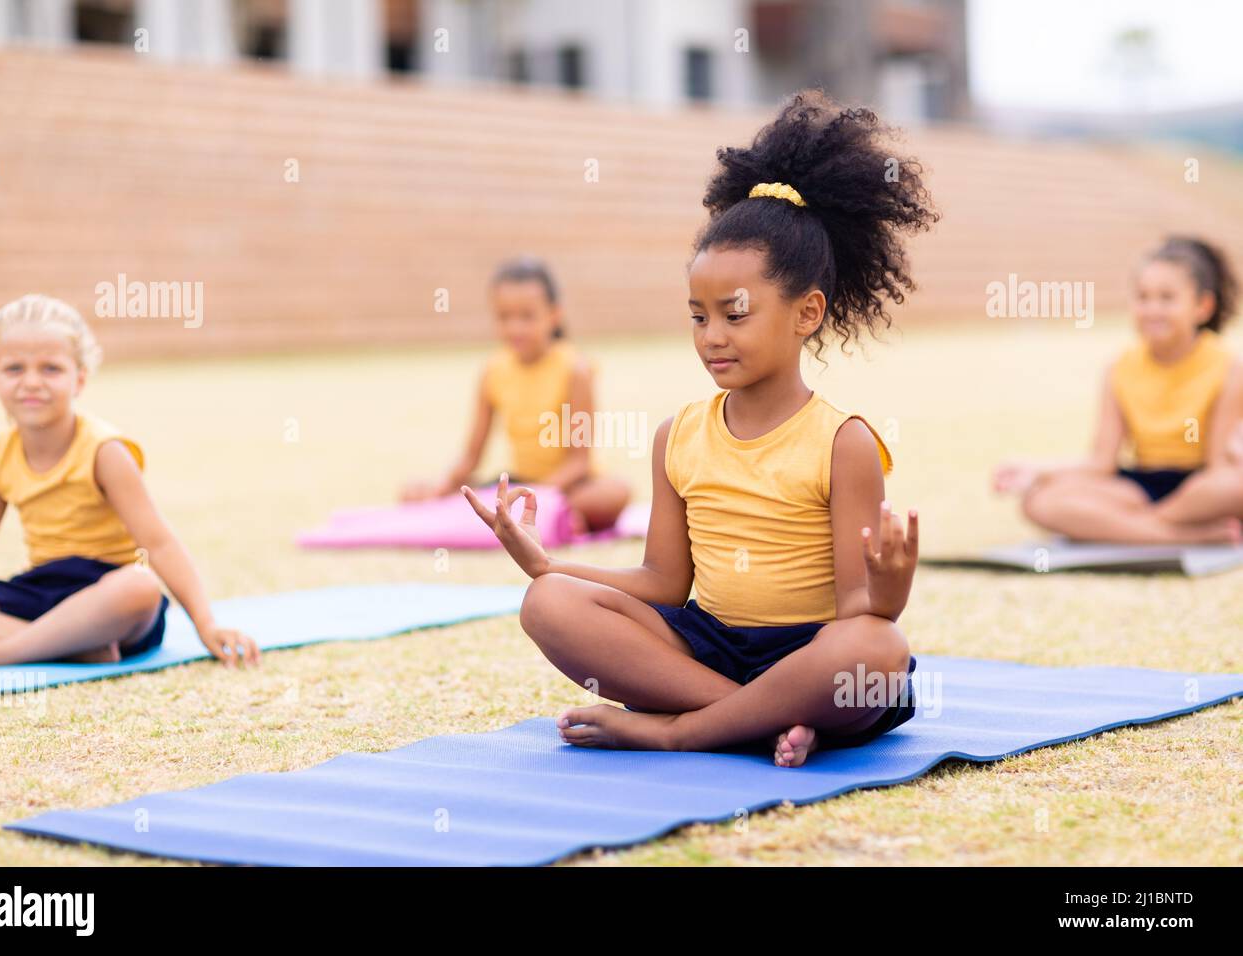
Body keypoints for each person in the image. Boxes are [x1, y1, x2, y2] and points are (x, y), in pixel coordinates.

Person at [462, 91, 937, 766]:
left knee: (876, 652)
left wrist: (888, 595)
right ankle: (759, 721)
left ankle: (682, 729)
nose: (712, 336)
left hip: (811, 656)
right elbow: (663, 583)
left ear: (807, 314)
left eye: (735, 314)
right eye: (698, 315)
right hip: (706, 648)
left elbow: (863, 611)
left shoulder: (845, 442)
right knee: (547, 604)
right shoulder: (677, 435)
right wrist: (547, 563)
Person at [0, 295, 261, 667]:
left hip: (107, 597)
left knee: (139, 586)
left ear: (79, 379)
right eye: (14, 369)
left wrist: (206, 624)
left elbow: (158, 544)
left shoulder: (105, 452)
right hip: (42, 592)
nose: (32, 382)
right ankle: (69, 647)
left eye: (50, 369)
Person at [995, 237, 1242, 544]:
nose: (1152, 309)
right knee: (1038, 501)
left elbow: (1218, 466)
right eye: (1143, 297)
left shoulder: (1229, 366)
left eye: (1167, 298)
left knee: (1235, 484)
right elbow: (1101, 462)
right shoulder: (1119, 368)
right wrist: (1037, 470)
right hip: (1140, 487)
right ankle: (1175, 536)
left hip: (1202, 486)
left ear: (1202, 307)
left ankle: (1139, 528)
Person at [401, 257, 631, 534]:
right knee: (414, 492)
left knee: (616, 493)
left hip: (568, 487)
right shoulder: (492, 371)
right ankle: (545, 518)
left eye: (527, 317)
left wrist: (535, 496)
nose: (515, 328)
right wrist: (442, 487)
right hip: (518, 483)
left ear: (554, 315)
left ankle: (551, 514)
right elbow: (471, 456)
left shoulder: (575, 370)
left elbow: (578, 462)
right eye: (504, 317)